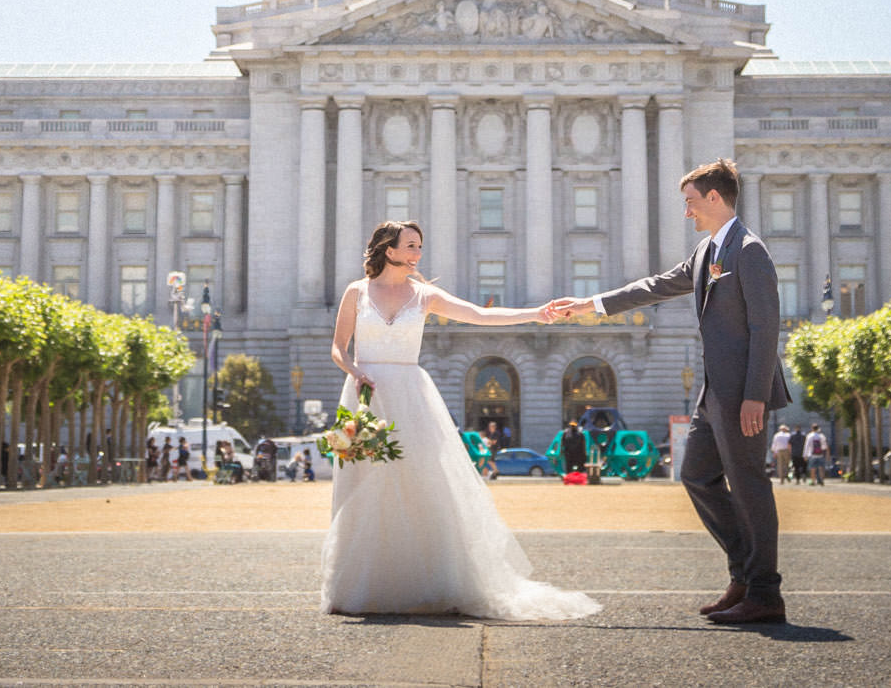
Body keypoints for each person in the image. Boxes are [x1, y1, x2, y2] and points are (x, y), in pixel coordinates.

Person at [550, 157, 791, 625]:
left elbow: (767, 328)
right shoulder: (707, 253)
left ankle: (765, 592)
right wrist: (592, 305)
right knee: (697, 476)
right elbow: (657, 286)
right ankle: (744, 573)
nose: (687, 212)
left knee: (749, 488)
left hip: (743, 392)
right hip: (714, 391)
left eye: (691, 202)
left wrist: (755, 396)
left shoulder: (750, 251)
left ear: (715, 199)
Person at [321, 220, 598, 620]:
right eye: (411, 246)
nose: (418, 253)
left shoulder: (425, 294)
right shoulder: (356, 291)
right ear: (388, 249)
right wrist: (354, 371)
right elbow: (337, 347)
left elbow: (478, 315)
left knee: (423, 484)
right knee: (362, 486)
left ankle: (433, 582)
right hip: (365, 393)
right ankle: (357, 587)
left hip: (410, 394)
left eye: (419, 246)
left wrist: (536, 314)